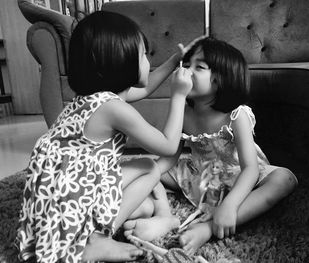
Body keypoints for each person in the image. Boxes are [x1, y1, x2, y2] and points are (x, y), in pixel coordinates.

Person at [15, 11, 198, 263]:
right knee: (148, 167)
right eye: (144, 54)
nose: (148, 61)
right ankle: (97, 239)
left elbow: (145, 87)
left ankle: (105, 223)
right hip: (72, 193)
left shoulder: (94, 98)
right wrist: (178, 96)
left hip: (57, 190)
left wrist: (175, 60)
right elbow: (167, 145)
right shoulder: (113, 107)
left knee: (142, 198)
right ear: (121, 60)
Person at [124, 37, 298, 255]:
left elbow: (251, 169)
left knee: (284, 179)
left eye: (199, 67)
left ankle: (208, 228)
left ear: (219, 80)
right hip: (202, 175)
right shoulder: (185, 112)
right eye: (187, 65)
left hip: (239, 177)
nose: (187, 71)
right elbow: (170, 156)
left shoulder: (236, 115)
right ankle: (164, 216)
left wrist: (230, 204)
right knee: (147, 166)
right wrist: (149, 174)